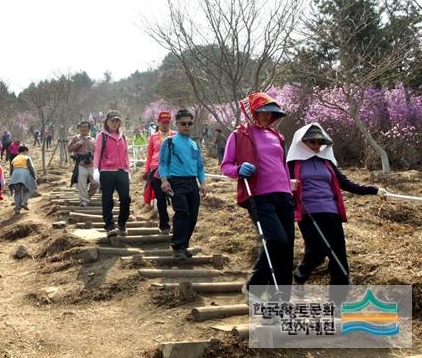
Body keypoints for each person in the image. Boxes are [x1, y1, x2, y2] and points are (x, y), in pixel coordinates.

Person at [287, 123, 387, 289]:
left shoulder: (327, 163)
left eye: (320, 142)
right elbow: (278, 184)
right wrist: (287, 183)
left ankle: (339, 299)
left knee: (338, 254)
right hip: (308, 212)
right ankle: (300, 273)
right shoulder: (292, 164)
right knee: (317, 250)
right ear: (301, 142)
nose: (317, 146)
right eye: (312, 142)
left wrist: (375, 190)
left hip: (331, 211)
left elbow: (346, 184)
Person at [220, 92, 294, 300]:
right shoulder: (239, 135)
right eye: (262, 113)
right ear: (253, 112)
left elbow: (283, 165)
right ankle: (255, 286)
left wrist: (290, 187)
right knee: (276, 240)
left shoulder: (277, 137)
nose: (266, 117)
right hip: (259, 195)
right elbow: (226, 165)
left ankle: (281, 300)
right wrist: (238, 170)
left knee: (287, 248)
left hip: (284, 195)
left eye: (271, 114)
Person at [159, 109, 206, 258]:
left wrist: (203, 183)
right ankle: (177, 246)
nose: (187, 126)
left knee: (193, 216)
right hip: (176, 182)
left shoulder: (194, 144)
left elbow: (200, 166)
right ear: (177, 124)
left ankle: (184, 245)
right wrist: (164, 180)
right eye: (183, 123)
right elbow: (163, 162)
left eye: (189, 123)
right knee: (182, 212)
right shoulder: (169, 141)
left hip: (192, 183)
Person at [93, 110, 131, 237]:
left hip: (122, 171)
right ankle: (109, 225)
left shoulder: (123, 136)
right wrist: (95, 170)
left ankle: (122, 222)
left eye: (117, 121)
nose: (115, 123)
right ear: (107, 122)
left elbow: (126, 154)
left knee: (126, 198)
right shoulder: (101, 136)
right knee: (107, 199)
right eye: (112, 121)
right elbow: (97, 153)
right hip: (107, 171)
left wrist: (128, 170)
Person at [143, 111, 177, 235]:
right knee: (161, 199)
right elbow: (149, 155)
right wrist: (146, 171)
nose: (165, 124)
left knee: (176, 198)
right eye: (163, 122)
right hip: (155, 170)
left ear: (170, 122)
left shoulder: (175, 135)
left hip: (172, 171)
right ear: (159, 122)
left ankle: (178, 223)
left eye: (167, 122)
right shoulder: (153, 137)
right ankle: (164, 225)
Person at [68, 121, 99, 207]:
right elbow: (69, 149)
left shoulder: (93, 139)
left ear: (89, 129)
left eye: (85, 127)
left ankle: (88, 196)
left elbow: (97, 152)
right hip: (81, 164)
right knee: (82, 184)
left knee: (96, 182)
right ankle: (84, 201)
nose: (83, 128)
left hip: (92, 164)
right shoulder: (76, 138)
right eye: (82, 127)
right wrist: (78, 144)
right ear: (79, 128)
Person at [9, 145, 37, 215]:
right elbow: (31, 168)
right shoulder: (27, 157)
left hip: (15, 175)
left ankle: (17, 209)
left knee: (17, 192)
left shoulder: (14, 159)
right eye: (27, 151)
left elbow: (11, 171)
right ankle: (24, 202)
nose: (27, 153)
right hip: (24, 174)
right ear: (25, 151)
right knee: (29, 189)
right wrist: (34, 177)